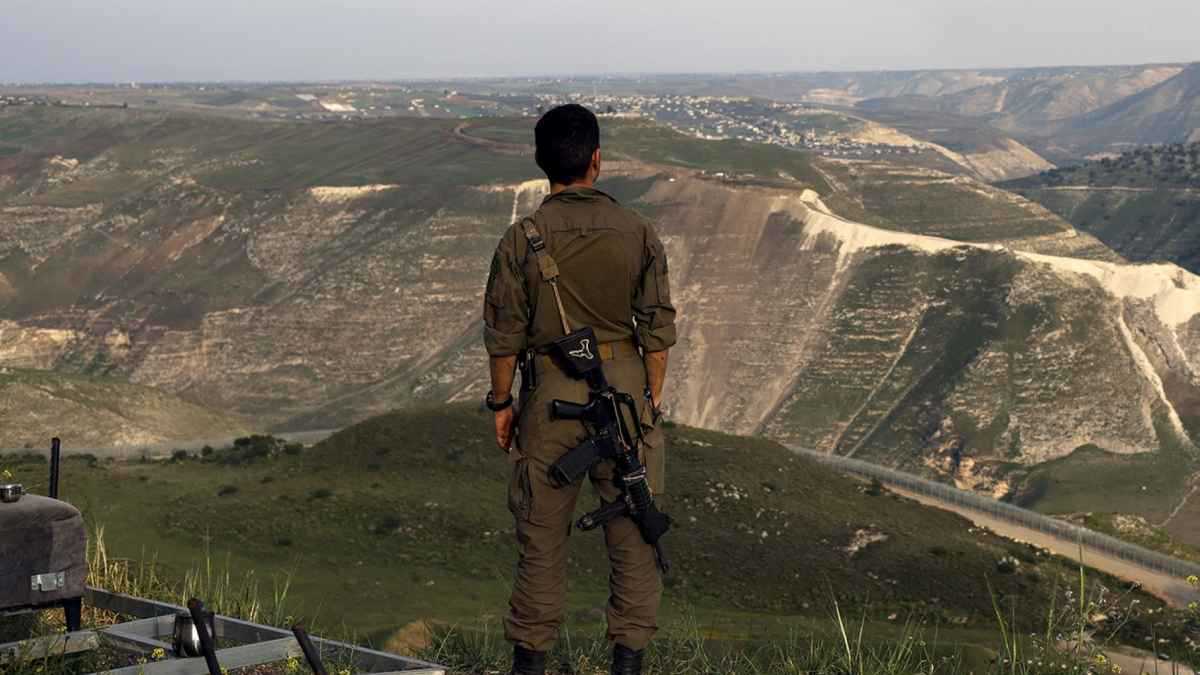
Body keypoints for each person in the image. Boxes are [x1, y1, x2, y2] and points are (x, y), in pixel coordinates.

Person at [482, 103, 676, 675]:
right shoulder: (638, 231)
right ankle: (627, 663)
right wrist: (649, 400)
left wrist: (502, 405)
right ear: (597, 159)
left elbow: (504, 338)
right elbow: (657, 333)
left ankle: (530, 663)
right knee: (635, 535)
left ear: (541, 161)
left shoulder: (521, 239)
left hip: (550, 393)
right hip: (625, 390)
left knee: (541, 541)